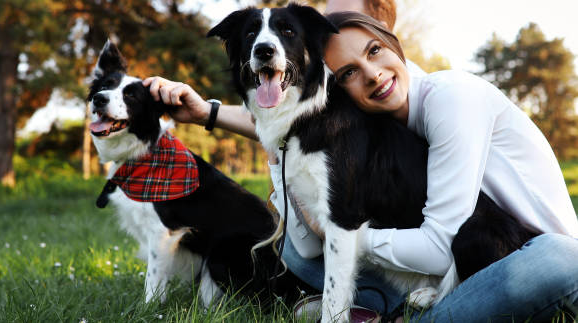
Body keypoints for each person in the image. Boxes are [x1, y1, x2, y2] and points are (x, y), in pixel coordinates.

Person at [143, 3, 578, 322]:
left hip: (524, 253)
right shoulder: (366, 113)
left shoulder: (450, 97)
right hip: (444, 260)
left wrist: (342, 233)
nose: (370, 75)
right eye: (347, 72)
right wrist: (218, 115)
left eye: (374, 52)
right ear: (336, 84)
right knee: (297, 250)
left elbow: (437, 242)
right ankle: (378, 308)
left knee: (563, 257)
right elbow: (293, 118)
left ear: (393, 41)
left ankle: (401, 315)